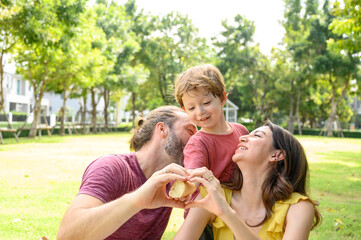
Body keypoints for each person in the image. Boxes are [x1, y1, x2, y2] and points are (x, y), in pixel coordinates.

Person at [57, 106, 197, 240]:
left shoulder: (172, 185)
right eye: (190, 131)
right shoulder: (112, 167)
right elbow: (67, 235)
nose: (198, 140)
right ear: (162, 129)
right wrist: (137, 200)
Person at [174, 121, 322, 240]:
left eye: (257, 135)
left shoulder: (298, 207)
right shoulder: (214, 196)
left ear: (277, 155)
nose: (242, 137)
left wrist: (226, 212)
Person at [174, 64, 249, 238]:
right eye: (191, 108)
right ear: (185, 110)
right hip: (207, 216)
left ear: (222, 98)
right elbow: (193, 176)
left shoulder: (241, 131)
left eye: (206, 103)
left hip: (237, 208)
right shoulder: (198, 143)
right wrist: (185, 187)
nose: (200, 112)